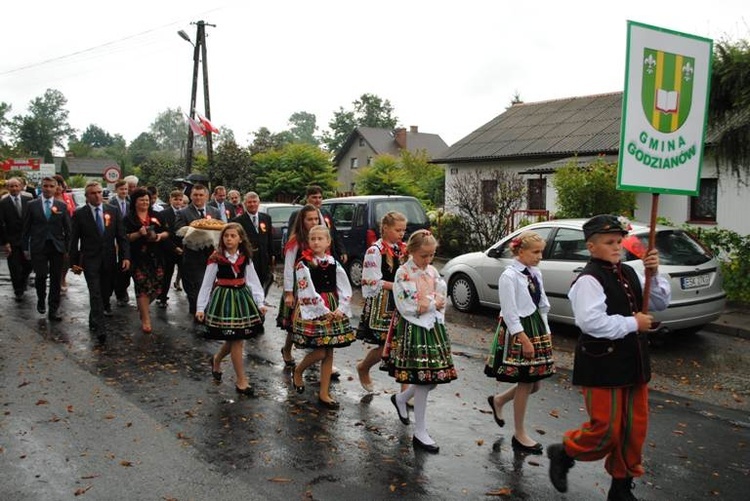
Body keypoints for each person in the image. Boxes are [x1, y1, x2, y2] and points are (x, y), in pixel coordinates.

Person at [547, 214, 671, 501]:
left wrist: (655, 272)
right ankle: (564, 452)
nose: (617, 247)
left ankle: (621, 486)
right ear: (591, 246)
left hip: (634, 360)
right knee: (606, 429)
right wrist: (633, 323)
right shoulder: (588, 279)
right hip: (602, 363)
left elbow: (660, 302)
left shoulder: (628, 271)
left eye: (619, 241)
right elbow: (591, 323)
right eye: (609, 242)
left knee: (633, 429)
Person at [384, 229, 457, 453]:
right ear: (412, 251)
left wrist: (430, 303)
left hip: (432, 326)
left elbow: (441, 296)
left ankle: (402, 397)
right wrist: (431, 302)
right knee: (424, 380)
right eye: (424, 255)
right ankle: (420, 431)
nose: (428, 260)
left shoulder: (433, 271)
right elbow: (409, 306)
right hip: (414, 329)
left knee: (433, 379)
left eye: (432, 255)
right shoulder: (403, 273)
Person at [484, 230, 555, 454]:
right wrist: (523, 338)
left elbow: (542, 303)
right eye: (535, 252)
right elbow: (509, 311)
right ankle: (520, 433)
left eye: (541, 252)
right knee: (527, 381)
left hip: (536, 326)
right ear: (520, 251)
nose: (539, 256)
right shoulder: (509, 276)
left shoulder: (535, 273)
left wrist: (547, 329)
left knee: (535, 384)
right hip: (521, 330)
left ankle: (499, 400)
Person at [290, 225, 356, 409]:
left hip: (332, 305)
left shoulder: (333, 262)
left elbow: (344, 287)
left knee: (329, 351)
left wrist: (341, 308)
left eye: (320, 239)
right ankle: (299, 370)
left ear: (328, 242)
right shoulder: (304, 263)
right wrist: (322, 309)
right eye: (313, 239)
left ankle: (324, 393)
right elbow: (306, 289)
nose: (316, 242)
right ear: (308, 242)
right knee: (320, 350)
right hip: (314, 307)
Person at [196, 223, 266, 396]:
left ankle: (217, 359)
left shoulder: (245, 257)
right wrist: (200, 307)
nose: (229, 239)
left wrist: (260, 302)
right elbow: (206, 284)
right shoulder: (216, 258)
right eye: (226, 236)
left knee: (236, 338)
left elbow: (253, 280)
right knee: (235, 338)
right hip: (224, 299)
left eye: (233, 236)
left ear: (240, 239)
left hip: (242, 299)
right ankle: (242, 380)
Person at [69, 182, 130, 341]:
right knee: (95, 292)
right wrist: (74, 263)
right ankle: (101, 329)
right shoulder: (80, 214)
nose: (97, 196)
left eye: (98, 192)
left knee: (104, 293)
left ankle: (93, 318)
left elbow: (121, 237)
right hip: (90, 259)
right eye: (92, 193)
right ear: (87, 196)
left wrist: (125, 257)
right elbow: (73, 240)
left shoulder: (113, 211)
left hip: (109, 259)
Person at [356, 211, 407, 393]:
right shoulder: (375, 251)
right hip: (383, 302)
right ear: (385, 228)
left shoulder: (402, 249)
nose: (401, 234)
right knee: (385, 344)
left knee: (404, 344)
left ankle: (404, 391)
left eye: (403, 230)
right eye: (397, 230)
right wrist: (397, 286)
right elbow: (371, 280)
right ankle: (364, 367)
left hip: (402, 301)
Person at [21, 176, 71, 321]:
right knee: (41, 275)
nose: (48, 189)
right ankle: (41, 299)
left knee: (56, 278)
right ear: (41, 187)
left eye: (51, 186)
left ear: (56, 188)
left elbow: (68, 229)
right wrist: (25, 247)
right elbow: (26, 228)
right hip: (39, 245)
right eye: (45, 186)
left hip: (56, 246)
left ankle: (53, 309)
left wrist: (67, 249)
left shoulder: (61, 206)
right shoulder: (32, 205)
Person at [276, 204, 319, 367]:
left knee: (318, 320)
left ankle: (320, 355)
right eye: (310, 219)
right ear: (302, 221)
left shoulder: (320, 237)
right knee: (295, 322)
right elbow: (288, 267)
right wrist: (288, 293)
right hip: (300, 285)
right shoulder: (296, 241)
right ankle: (287, 349)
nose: (314, 222)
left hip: (316, 284)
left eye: (316, 218)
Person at [123, 188, 169, 333]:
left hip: (156, 257)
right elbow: (124, 237)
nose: (145, 202)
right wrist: (138, 234)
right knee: (142, 287)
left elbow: (168, 232)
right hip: (138, 258)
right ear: (135, 202)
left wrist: (159, 237)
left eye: (147, 200)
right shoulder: (128, 218)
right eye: (141, 200)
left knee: (157, 288)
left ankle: (142, 307)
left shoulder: (157, 215)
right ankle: (146, 319)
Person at [175, 184, 222, 315]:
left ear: (206, 196)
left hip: (212, 256)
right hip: (192, 257)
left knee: (210, 285)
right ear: (191, 196)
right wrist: (198, 232)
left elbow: (221, 229)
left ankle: (207, 311)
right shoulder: (183, 213)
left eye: (201, 195)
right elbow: (179, 231)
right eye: (195, 195)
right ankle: (196, 311)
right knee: (195, 286)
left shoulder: (214, 211)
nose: (198, 198)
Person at [287, 185, 347, 265]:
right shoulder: (297, 214)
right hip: (308, 256)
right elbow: (292, 235)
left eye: (320, 197)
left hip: (328, 254)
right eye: (314, 197)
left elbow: (334, 233)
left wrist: (342, 251)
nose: (317, 200)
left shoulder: (326, 213)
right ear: (307, 198)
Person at [231, 191, 274, 295]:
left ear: (258, 203)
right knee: (249, 285)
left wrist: (272, 255)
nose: (252, 204)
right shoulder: (238, 221)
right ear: (245, 204)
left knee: (263, 283)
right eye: (249, 202)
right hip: (248, 259)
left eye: (255, 202)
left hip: (263, 259)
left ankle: (261, 303)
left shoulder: (266, 218)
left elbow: (269, 238)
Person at [0, 177, 33, 301]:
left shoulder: (29, 200)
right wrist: (5, 242)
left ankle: (23, 281)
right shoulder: (3, 203)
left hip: (27, 239)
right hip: (11, 240)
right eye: (11, 186)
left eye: (16, 186)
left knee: (29, 264)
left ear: (21, 187)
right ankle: (18, 290)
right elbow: (1, 223)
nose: (14, 188)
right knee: (14, 266)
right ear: (8, 188)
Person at [156, 190, 185, 308]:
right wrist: (174, 248)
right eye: (175, 199)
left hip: (183, 248)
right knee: (167, 274)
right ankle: (163, 298)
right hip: (168, 249)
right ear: (170, 200)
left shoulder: (185, 213)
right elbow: (162, 233)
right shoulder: (163, 214)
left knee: (185, 273)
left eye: (180, 200)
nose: (178, 202)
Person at [109, 179, 132, 306]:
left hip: (125, 239)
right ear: (116, 190)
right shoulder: (111, 204)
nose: (124, 191)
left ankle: (122, 291)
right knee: (114, 266)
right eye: (121, 189)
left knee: (124, 266)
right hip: (113, 239)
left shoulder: (129, 204)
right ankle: (115, 289)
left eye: (126, 189)